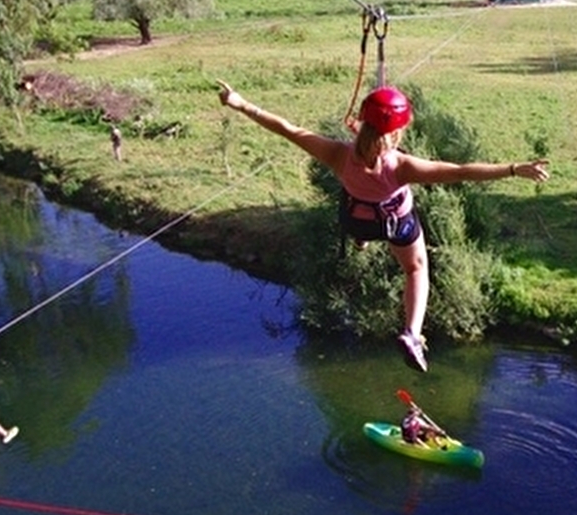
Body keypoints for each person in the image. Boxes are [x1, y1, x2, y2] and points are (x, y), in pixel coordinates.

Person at [216, 80, 550, 372]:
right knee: (417, 269)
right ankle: (412, 333)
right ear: (397, 133)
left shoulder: (338, 155)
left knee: (360, 227)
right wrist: (512, 168)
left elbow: (288, 129)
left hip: (357, 222)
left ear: (361, 123)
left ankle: (362, 242)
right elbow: (460, 170)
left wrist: (241, 103)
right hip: (396, 226)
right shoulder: (402, 166)